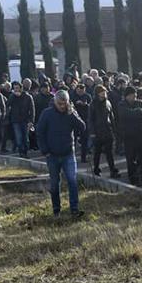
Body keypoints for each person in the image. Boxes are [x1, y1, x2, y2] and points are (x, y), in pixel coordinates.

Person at [36, 90, 86, 218]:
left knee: (72, 181)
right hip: (52, 154)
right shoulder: (47, 114)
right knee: (54, 183)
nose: (62, 106)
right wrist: (45, 150)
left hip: (68, 153)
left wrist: (73, 113)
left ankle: (74, 209)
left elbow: (82, 127)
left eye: (65, 103)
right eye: (60, 104)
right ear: (55, 102)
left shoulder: (70, 113)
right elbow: (40, 132)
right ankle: (56, 210)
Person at [118, 86, 142, 186]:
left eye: (136, 95)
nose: (135, 97)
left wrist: (136, 114)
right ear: (127, 96)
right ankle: (133, 178)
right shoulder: (121, 104)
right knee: (131, 158)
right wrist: (138, 112)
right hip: (129, 136)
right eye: (133, 95)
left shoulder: (139, 103)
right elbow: (125, 115)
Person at [87, 85, 121, 178]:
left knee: (109, 152)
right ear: (98, 93)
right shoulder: (93, 104)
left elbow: (111, 116)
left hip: (107, 130)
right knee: (97, 152)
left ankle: (112, 170)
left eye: (105, 92)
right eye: (102, 92)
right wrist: (92, 132)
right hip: (97, 132)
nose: (104, 93)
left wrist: (114, 129)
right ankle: (96, 169)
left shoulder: (108, 103)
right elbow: (90, 119)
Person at [8, 82, 35, 158]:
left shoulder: (28, 97)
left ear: (21, 88)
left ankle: (25, 152)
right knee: (19, 137)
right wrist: (13, 96)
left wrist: (31, 121)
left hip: (25, 120)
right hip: (16, 120)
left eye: (17, 88)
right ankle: (21, 153)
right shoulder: (12, 96)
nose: (16, 90)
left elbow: (32, 109)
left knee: (25, 138)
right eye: (14, 88)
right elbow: (8, 104)